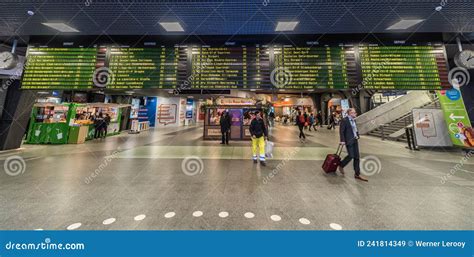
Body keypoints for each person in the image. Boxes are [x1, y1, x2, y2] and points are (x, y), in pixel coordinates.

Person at [339, 108, 368, 182]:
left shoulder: (354, 120)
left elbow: (355, 129)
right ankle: (341, 165)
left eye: (355, 113)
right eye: (354, 113)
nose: (355, 114)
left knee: (357, 157)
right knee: (351, 155)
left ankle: (357, 174)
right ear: (350, 113)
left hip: (355, 140)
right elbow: (341, 131)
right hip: (349, 141)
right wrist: (342, 140)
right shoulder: (344, 120)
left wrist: (357, 135)